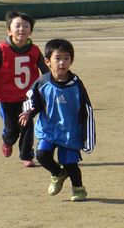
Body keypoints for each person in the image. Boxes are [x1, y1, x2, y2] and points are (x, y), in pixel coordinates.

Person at [19, 39, 96, 202]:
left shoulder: (76, 85)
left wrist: (88, 138)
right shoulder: (42, 83)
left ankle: (78, 188)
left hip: (70, 131)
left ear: (71, 61)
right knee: (42, 155)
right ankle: (57, 174)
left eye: (66, 58)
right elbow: (32, 100)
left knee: (70, 164)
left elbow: (87, 110)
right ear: (47, 61)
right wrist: (28, 112)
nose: (62, 63)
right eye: (57, 58)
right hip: (49, 129)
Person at [0, 11, 49, 167]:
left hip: (28, 96)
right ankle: (7, 141)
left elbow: (45, 70)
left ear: (31, 31)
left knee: (27, 125)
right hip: (6, 97)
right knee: (12, 129)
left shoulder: (34, 50)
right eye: (17, 26)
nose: (22, 29)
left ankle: (26, 155)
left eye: (26, 26)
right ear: (9, 31)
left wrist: (51, 86)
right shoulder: (2, 49)